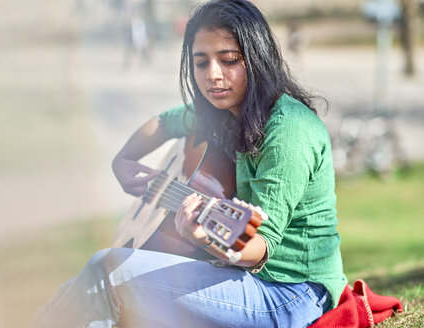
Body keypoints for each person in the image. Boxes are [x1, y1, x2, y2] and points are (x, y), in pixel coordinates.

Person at [29, 1, 347, 327]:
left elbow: (260, 246)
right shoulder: (221, 114)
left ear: (258, 58)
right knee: (79, 289)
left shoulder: (289, 131)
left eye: (229, 60)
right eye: (201, 62)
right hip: (240, 277)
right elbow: (165, 123)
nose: (213, 75)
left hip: (287, 292)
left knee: (107, 273)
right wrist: (122, 160)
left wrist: (205, 238)